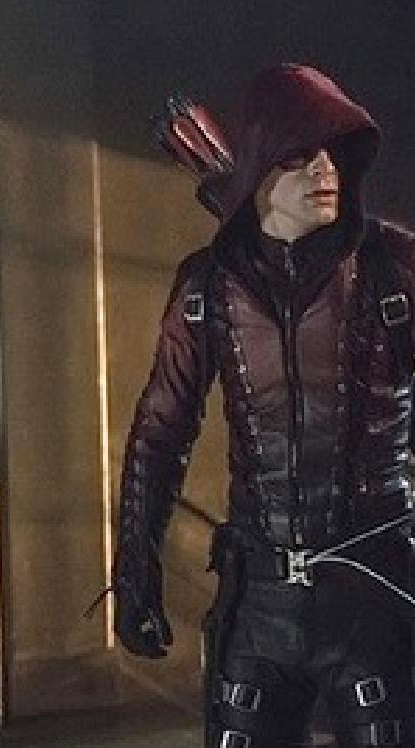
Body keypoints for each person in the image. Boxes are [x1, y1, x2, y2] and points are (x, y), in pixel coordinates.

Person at [114, 63, 415, 745]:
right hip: (258, 604)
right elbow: (160, 432)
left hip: (375, 595)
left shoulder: (393, 269)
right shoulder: (208, 287)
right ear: (256, 169)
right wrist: (135, 574)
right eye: (299, 155)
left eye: (332, 152)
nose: (325, 169)